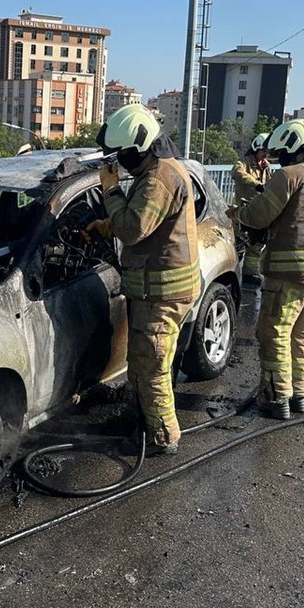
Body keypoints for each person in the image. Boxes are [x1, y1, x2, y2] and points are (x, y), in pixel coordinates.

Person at [90, 103, 200, 454]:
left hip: (163, 293)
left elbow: (134, 229)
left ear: (140, 147)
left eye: (122, 154)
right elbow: (150, 224)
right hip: (154, 290)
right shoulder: (153, 174)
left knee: (152, 366)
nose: (119, 161)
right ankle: (140, 423)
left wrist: (109, 191)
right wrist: (104, 226)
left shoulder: (159, 178)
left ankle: (164, 437)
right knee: (141, 359)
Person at [233, 119, 304, 420]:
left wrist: (238, 213)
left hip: (288, 270)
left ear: (294, 147)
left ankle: (276, 396)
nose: (279, 158)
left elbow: (259, 215)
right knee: (302, 332)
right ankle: (299, 393)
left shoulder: (289, 175)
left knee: (273, 332)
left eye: (282, 151)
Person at [231, 133, 272, 286]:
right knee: (238, 243)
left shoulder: (266, 166)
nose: (265, 155)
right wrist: (256, 183)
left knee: (256, 245)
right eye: (263, 151)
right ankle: (233, 273)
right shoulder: (244, 163)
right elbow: (236, 172)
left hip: (258, 211)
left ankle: (249, 273)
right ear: (256, 149)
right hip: (243, 210)